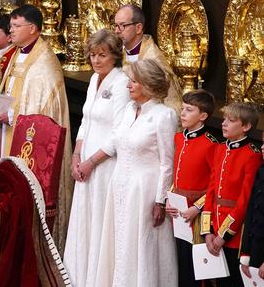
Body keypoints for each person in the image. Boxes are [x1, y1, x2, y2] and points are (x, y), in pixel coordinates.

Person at [0, 5, 72, 249]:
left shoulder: (44, 64)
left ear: (33, 29)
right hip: (7, 131)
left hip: (26, 142)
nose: (11, 31)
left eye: (16, 26)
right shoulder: (18, 53)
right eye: (11, 26)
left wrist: (10, 116)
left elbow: (41, 114)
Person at [95, 59, 178, 286]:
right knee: (120, 240)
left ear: (148, 85)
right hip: (120, 184)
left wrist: (160, 201)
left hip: (145, 190)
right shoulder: (130, 109)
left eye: (134, 82)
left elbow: (167, 164)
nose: (128, 85)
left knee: (141, 242)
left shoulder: (164, 115)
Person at [63, 29, 130, 287]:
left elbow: (118, 133)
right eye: (93, 55)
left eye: (102, 55)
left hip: (105, 163)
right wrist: (77, 155)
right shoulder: (94, 80)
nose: (97, 60)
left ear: (115, 56)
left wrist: (92, 161)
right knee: (83, 217)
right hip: (85, 158)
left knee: (101, 218)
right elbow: (85, 122)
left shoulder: (121, 82)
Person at [201, 102, 261, 287]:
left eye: (231, 120)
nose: (224, 123)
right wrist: (207, 230)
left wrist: (223, 235)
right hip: (214, 227)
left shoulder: (252, 155)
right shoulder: (220, 148)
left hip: (234, 235)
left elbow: (244, 202)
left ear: (246, 126)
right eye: (224, 119)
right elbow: (211, 190)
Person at [163, 89, 219, 287]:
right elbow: (175, 173)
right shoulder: (179, 137)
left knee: (196, 269)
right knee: (178, 263)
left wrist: (197, 207)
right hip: (177, 211)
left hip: (196, 214)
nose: (182, 113)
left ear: (203, 116)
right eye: (182, 109)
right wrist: (169, 198)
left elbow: (215, 184)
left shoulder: (211, 144)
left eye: (189, 110)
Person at [113, 4, 182, 114]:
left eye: (122, 25)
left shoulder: (154, 60)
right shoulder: (116, 54)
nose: (117, 31)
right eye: (115, 25)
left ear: (138, 28)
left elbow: (172, 105)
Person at [240, 131, 264, 281]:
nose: (262, 147)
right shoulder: (261, 171)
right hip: (255, 249)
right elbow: (251, 213)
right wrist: (245, 253)